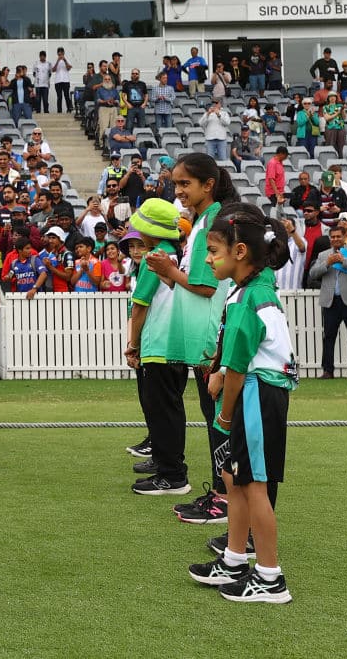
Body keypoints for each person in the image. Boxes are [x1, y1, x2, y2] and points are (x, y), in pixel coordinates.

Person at [188, 203, 295, 604]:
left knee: (254, 486)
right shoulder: (254, 286)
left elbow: (235, 369)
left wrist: (226, 414)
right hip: (258, 392)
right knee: (236, 480)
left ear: (239, 252)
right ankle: (234, 559)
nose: (207, 258)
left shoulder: (247, 297)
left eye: (212, 250)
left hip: (256, 394)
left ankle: (270, 577)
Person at [143, 153, 236, 521]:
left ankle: (223, 497)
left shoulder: (213, 219)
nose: (178, 191)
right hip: (203, 334)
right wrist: (167, 272)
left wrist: (169, 270)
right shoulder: (202, 220)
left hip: (208, 336)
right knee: (213, 415)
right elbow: (192, 280)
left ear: (208, 184)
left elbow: (205, 285)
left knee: (218, 418)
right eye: (176, 183)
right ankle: (219, 493)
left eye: (185, 184)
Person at [125, 198, 190, 496]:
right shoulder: (178, 255)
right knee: (172, 410)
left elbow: (139, 306)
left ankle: (172, 475)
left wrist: (132, 344)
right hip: (179, 344)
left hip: (157, 345)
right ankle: (171, 470)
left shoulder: (156, 258)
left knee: (161, 412)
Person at [309, 226, 347, 379]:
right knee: (329, 337)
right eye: (333, 237)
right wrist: (327, 263)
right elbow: (313, 274)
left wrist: (344, 261)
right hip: (331, 301)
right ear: (330, 239)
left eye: (338, 236)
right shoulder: (323, 255)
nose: (335, 239)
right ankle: (328, 371)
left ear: (344, 237)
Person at [52, 47, 73, 113]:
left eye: (61, 53)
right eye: (59, 54)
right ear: (57, 54)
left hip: (66, 81)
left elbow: (69, 68)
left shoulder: (67, 60)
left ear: (63, 53)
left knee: (66, 95)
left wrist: (65, 60)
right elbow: (53, 70)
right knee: (59, 97)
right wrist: (58, 61)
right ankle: (59, 111)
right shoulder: (55, 60)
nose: (60, 55)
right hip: (58, 81)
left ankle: (69, 109)